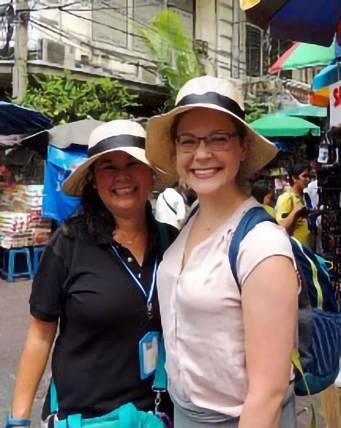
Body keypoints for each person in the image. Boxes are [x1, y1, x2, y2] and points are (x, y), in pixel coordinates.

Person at [146, 76, 299, 427]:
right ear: (176, 151)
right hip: (185, 413)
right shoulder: (192, 219)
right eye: (188, 141)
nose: (202, 154)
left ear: (242, 148)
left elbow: (267, 394)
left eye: (218, 139)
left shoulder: (261, 245)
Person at [8, 120, 177, 428]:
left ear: (150, 173)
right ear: (94, 181)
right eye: (108, 167)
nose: (122, 176)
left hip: (156, 415)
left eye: (132, 163)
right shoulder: (69, 243)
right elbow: (40, 335)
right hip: (83, 417)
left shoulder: (173, 242)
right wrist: (17, 419)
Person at [275, 164, 312, 248]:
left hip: (304, 248)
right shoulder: (287, 198)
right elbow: (281, 226)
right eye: (304, 176)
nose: (308, 179)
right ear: (294, 178)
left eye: (308, 176)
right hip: (294, 249)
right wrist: (295, 212)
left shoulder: (302, 196)